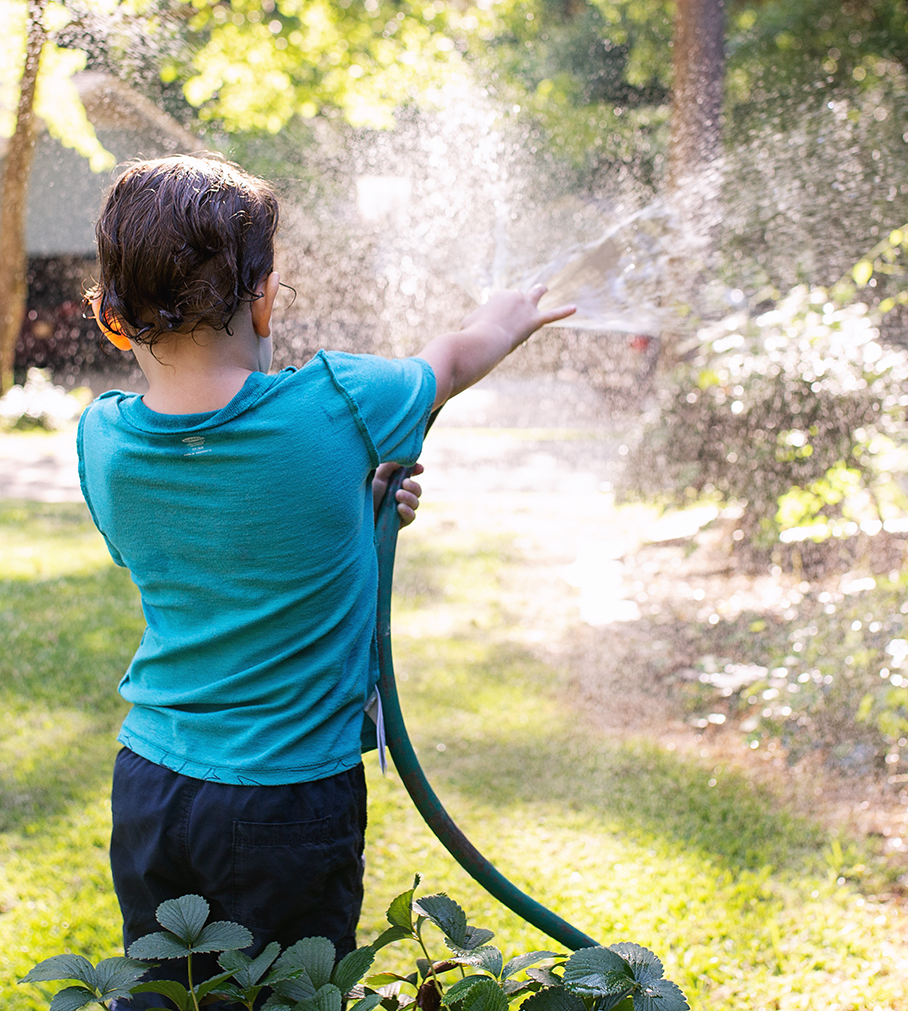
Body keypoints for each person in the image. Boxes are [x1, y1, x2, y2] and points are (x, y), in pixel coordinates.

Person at [76, 154, 571, 999]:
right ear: (265, 297)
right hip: (288, 799)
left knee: (170, 994)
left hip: (153, 786)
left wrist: (354, 502)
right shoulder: (342, 403)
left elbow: (218, 540)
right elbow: (450, 361)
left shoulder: (103, 441)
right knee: (295, 995)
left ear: (112, 319)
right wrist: (505, 317)